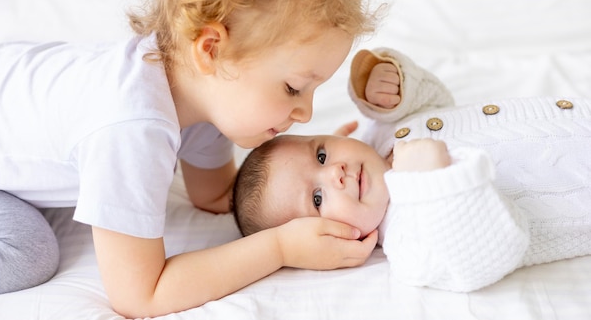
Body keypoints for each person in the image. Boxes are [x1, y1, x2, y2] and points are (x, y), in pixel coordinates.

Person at [0, 0, 381, 317]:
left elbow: (218, 196)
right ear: (212, 50)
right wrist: (280, 248)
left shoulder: (196, 88)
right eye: (293, 87)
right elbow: (140, 296)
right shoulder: (132, 129)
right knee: (22, 252)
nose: (306, 113)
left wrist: (328, 174)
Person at [232, 47, 591, 292]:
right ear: (333, 238)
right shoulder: (407, 242)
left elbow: (437, 102)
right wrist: (434, 183)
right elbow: (488, 256)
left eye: (321, 155)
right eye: (317, 197)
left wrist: (391, 86)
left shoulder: (382, 129)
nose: (335, 173)